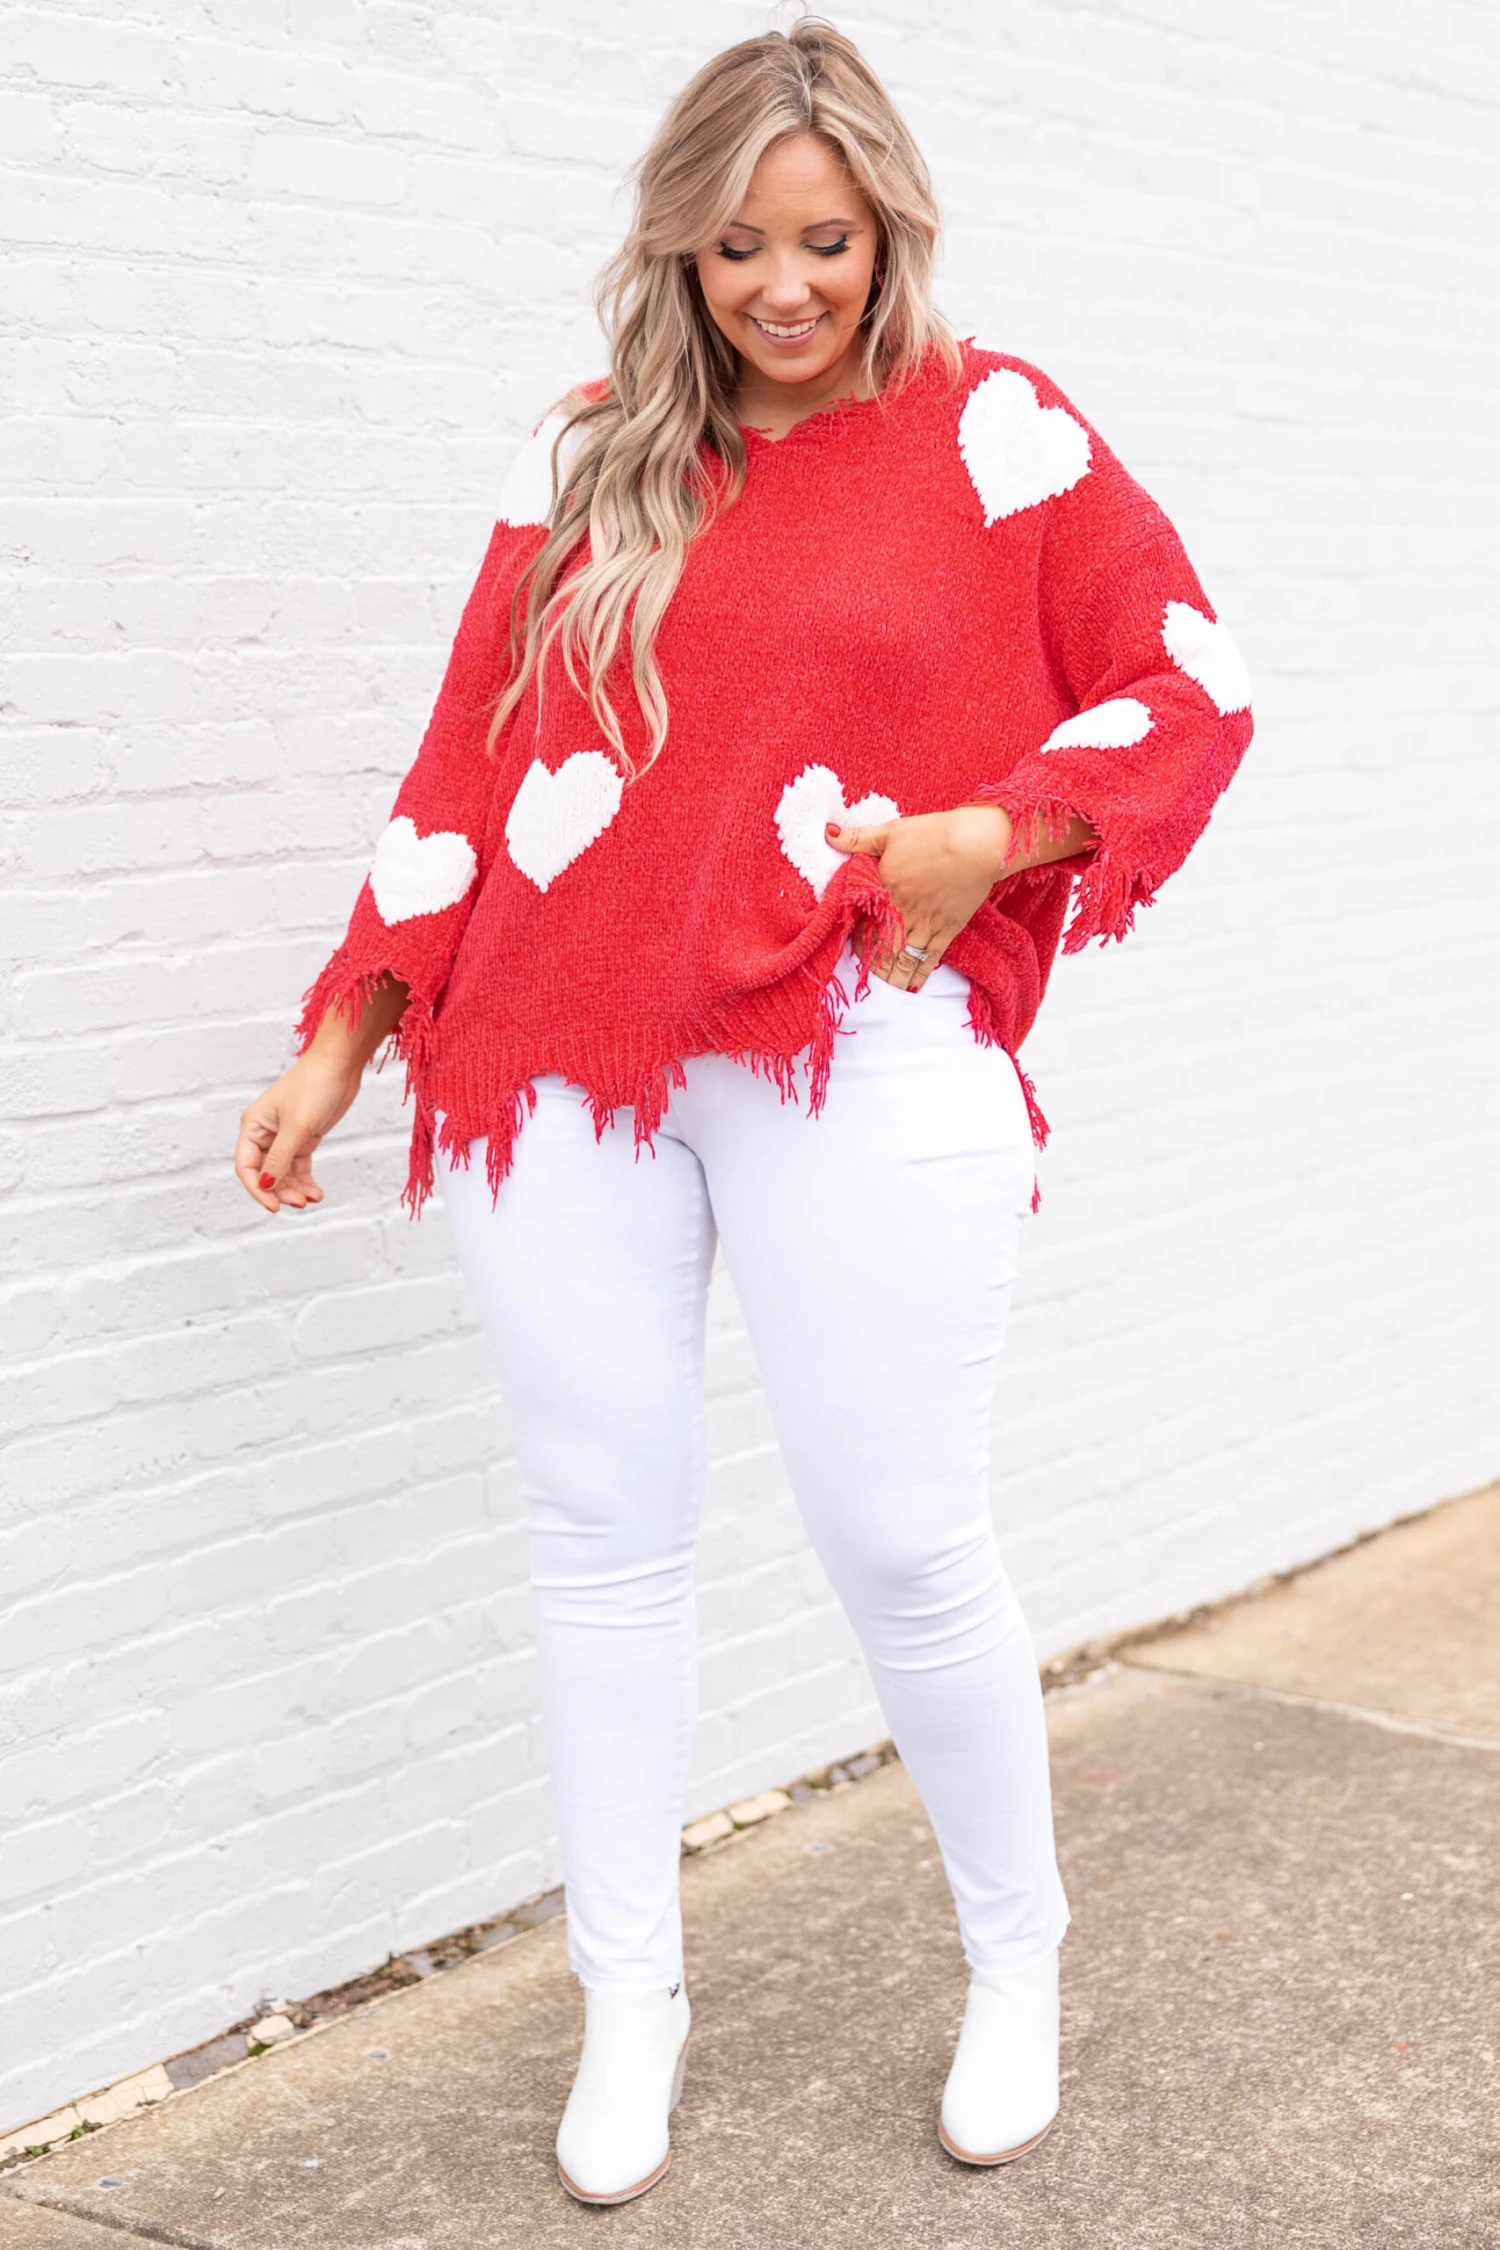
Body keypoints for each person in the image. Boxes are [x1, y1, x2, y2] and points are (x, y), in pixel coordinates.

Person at [235, 19, 1251, 2209]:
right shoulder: (590, 450)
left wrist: (996, 832)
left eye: (827, 240)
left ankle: (1015, 1958)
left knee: (901, 1534)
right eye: (738, 249)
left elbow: (1190, 678)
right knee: (602, 1541)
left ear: (889, 227)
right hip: (558, 1049)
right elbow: (468, 755)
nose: (786, 287)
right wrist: (352, 1029)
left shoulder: (994, 429)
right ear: (678, 252)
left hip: (854, 1040)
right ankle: (633, 2006)